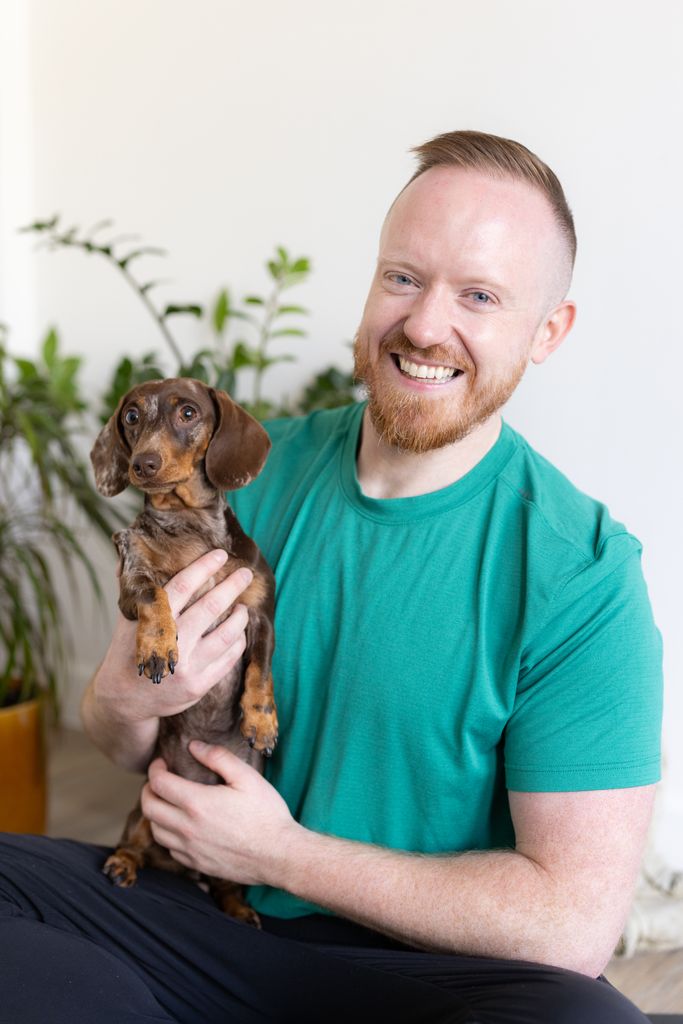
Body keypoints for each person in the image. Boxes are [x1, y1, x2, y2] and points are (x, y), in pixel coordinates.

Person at [0, 131, 663, 1024]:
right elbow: (127, 740)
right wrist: (121, 699)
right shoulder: (240, 477)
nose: (426, 325)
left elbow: (569, 925)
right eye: (403, 277)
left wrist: (284, 857)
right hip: (204, 924)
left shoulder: (580, 575)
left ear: (547, 331)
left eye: (478, 295)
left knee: (587, 1021)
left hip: (424, 975)